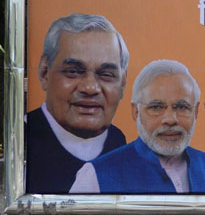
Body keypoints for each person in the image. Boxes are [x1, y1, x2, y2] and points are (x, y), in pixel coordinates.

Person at [71, 60, 205, 193]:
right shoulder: (96, 177)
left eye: (181, 107)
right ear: (136, 112)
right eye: (156, 107)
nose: (170, 119)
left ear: (196, 112)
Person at [26, 13, 130, 194]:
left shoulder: (119, 142)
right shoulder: (21, 141)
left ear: (122, 83)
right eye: (74, 71)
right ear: (44, 73)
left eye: (106, 74)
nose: (90, 88)